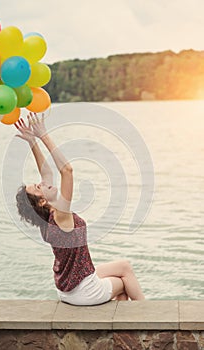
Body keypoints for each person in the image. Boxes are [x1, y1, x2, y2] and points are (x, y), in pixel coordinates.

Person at [15, 112, 145, 306]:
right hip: (84, 292)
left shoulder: (47, 218)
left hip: (69, 287)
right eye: (37, 186)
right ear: (42, 201)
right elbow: (66, 171)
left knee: (123, 266)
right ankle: (147, 311)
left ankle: (121, 319)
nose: (42, 182)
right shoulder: (61, 216)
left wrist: (32, 142)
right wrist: (43, 135)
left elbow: (47, 172)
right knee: (123, 281)